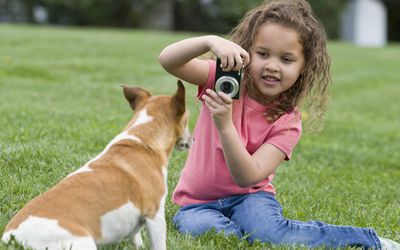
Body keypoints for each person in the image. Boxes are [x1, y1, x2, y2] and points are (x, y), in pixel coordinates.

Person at [158, 0, 400, 249]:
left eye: (286, 59)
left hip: (249, 198)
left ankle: (368, 241)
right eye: (262, 54)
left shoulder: (288, 121)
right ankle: (245, 231)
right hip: (198, 202)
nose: (272, 66)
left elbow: (247, 176)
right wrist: (209, 41)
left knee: (269, 232)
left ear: (303, 67)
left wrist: (225, 125)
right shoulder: (224, 79)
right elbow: (168, 60)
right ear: (247, 51)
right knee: (202, 228)